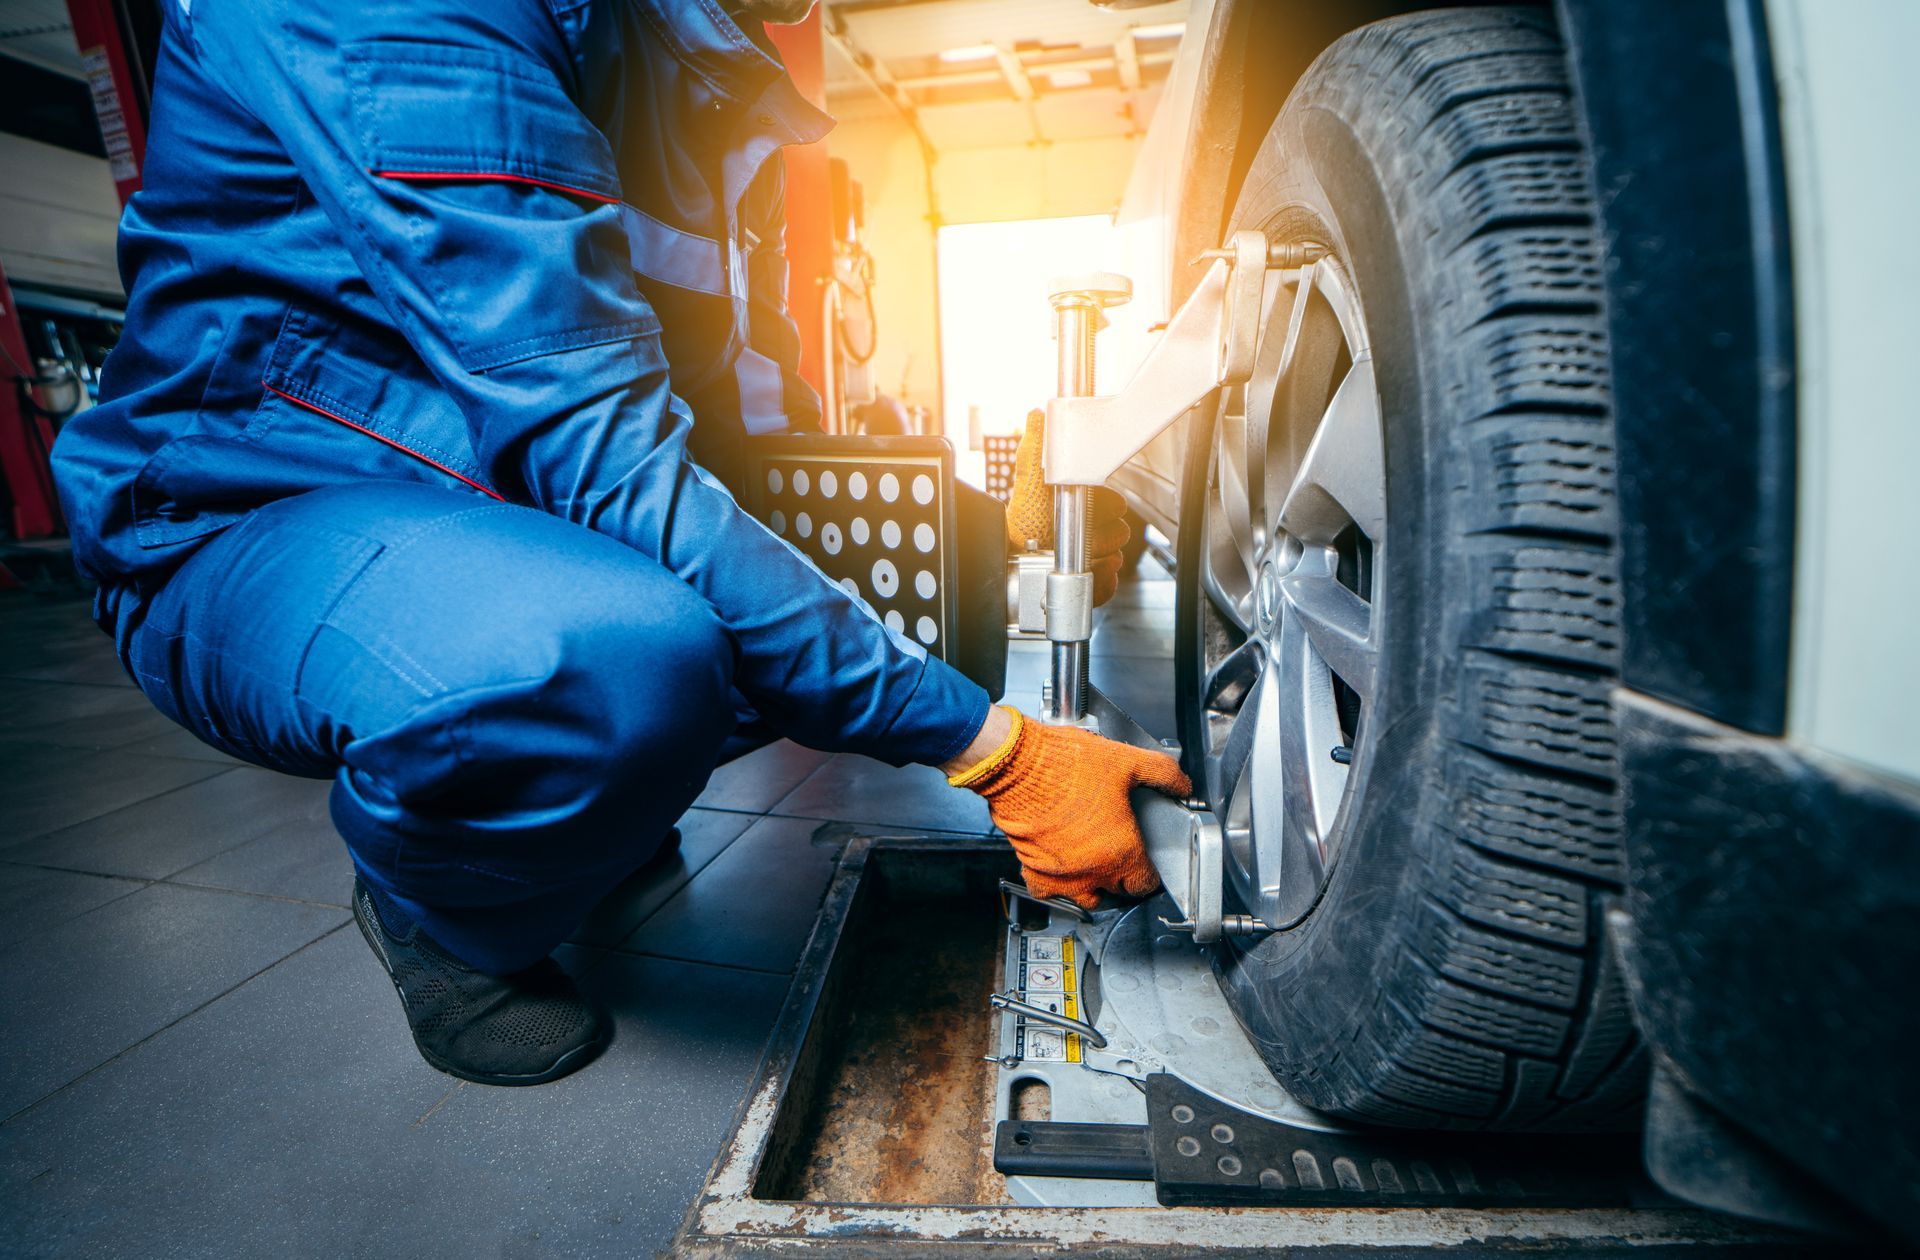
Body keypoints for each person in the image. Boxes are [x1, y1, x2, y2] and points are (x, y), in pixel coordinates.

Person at [51, 0, 1188, 1088]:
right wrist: (997, 752)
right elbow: (599, 457)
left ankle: (588, 796)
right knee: (622, 663)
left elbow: (693, 408)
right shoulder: (398, 6)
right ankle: (440, 908)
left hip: (484, 498)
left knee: (775, 621)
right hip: (249, 512)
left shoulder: (657, 47)